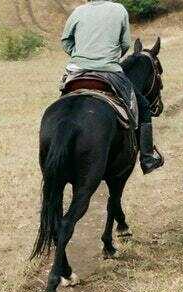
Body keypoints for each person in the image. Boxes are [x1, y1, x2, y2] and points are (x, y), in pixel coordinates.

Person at [60, 0, 163, 174]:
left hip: (77, 71)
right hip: (110, 71)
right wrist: (108, 57)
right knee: (143, 106)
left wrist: (83, 55)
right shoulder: (119, 10)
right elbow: (125, 45)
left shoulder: (78, 11)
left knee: (65, 102)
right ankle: (147, 158)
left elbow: (66, 42)